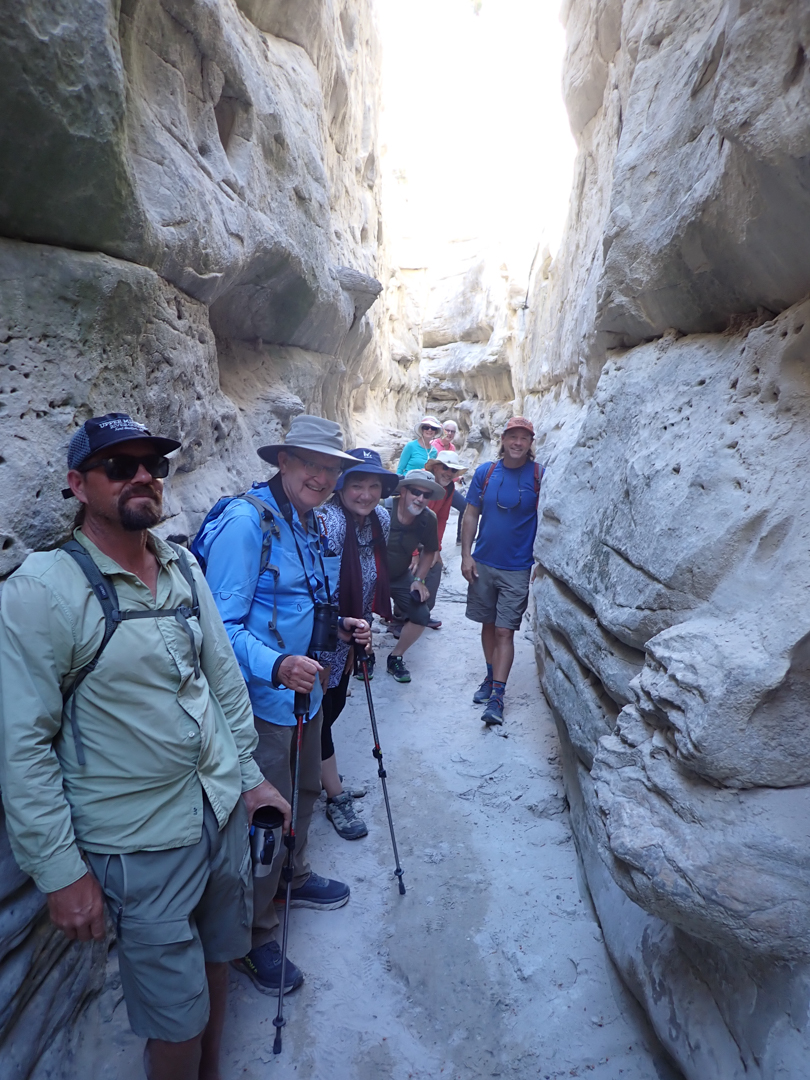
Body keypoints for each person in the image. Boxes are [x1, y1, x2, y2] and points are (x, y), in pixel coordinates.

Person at [0, 412, 290, 1080]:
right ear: (78, 484)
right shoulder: (43, 592)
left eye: (153, 467)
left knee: (220, 959)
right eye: (118, 467)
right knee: (175, 1019)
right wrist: (61, 872)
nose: (142, 479)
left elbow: (220, 679)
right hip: (139, 844)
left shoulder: (182, 565)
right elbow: (23, 747)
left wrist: (250, 777)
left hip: (217, 812)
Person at [194, 414, 370, 995]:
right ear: (284, 462)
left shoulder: (307, 519)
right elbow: (217, 628)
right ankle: (251, 934)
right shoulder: (247, 524)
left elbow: (300, 600)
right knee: (266, 822)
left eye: (331, 468)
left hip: (306, 689)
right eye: (311, 464)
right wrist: (275, 663)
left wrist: (339, 626)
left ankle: (291, 879)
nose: (322, 477)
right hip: (264, 702)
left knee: (307, 792)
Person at [317, 448, 397, 840]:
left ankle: (321, 773)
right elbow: (312, 586)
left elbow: (370, 578)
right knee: (320, 714)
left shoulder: (380, 519)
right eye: (357, 485)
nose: (365, 494)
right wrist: (337, 633)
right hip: (319, 635)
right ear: (341, 486)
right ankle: (334, 794)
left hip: (352, 632)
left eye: (374, 486)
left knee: (332, 708)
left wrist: (358, 636)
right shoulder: (327, 521)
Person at [460, 417, 543, 727]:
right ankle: (491, 673)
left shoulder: (538, 476)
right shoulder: (486, 472)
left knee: (504, 630)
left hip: (517, 567)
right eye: (512, 437)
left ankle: (497, 695)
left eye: (524, 438)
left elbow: (547, 522)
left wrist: (541, 563)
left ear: (530, 443)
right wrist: (466, 555)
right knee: (488, 624)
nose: (517, 443)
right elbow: (470, 514)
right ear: (504, 440)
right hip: (483, 562)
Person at [385, 468, 444, 683]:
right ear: (403, 491)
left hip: (400, 575)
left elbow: (431, 549)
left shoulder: (428, 519)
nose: (420, 498)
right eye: (415, 492)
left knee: (421, 614)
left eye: (426, 495)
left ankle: (396, 657)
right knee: (357, 616)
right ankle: (367, 656)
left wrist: (419, 579)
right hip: (372, 574)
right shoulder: (382, 509)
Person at [424, 451, 467, 621]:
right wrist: (412, 553)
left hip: (426, 537)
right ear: (434, 467)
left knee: (435, 568)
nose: (449, 473)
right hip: (406, 537)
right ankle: (399, 617)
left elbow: (441, 519)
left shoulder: (449, 489)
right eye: (445, 467)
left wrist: (436, 548)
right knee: (409, 569)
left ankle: (422, 615)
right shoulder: (422, 483)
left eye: (453, 470)